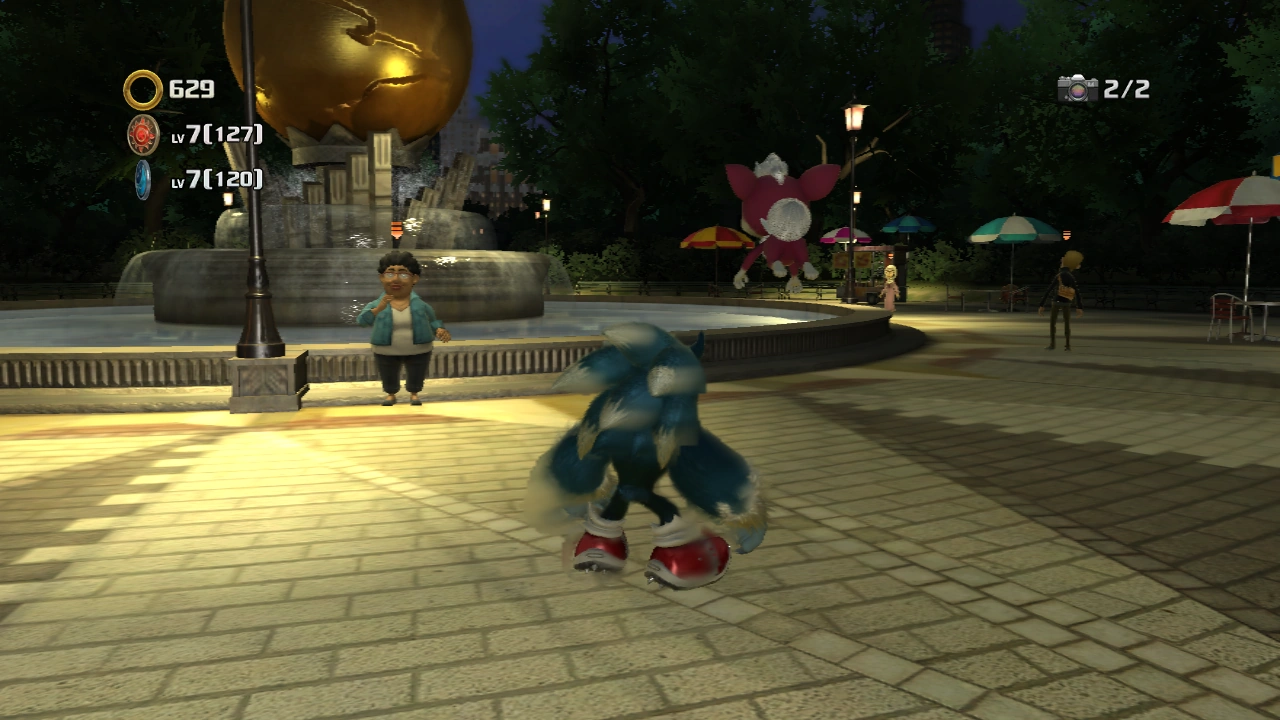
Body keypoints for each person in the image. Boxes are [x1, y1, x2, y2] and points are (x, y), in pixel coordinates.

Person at [357, 251, 450, 406]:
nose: (396, 279)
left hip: (419, 348)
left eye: (403, 274)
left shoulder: (421, 305)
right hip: (386, 349)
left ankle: (414, 393)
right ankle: (390, 394)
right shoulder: (376, 305)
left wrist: (439, 329)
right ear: (381, 278)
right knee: (388, 372)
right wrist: (378, 309)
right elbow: (362, 321)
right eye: (389, 274)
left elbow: (433, 320)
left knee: (417, 371)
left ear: (415, 279)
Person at [1038, 250, 1084, 350]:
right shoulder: (1071, 277)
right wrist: (1079, 307)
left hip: (1056, 301)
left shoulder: (1059, 276)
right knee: (1067, 324)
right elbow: (1076, 292)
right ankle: (1067, 345)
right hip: (1067, 302)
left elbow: (1049, 290)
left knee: (1053, 323)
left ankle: (1052, 344)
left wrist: (1042, 305)